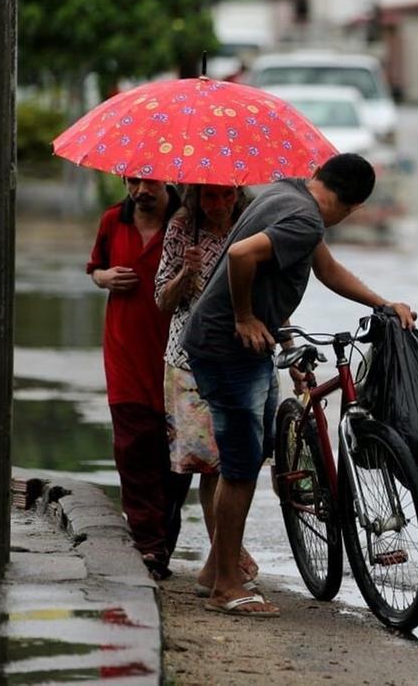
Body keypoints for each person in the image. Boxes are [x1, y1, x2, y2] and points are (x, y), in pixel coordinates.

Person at [182, 153, 416, 617]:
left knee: (250, 455)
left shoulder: (288, 192)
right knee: (240, 468)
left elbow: (327, 270)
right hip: (227, 347)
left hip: (244, 346)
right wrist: (244, 317)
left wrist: (382, 303)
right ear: (354, 206)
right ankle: (226, 587)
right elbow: (240, 255)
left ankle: (215, 568)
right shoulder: (305, 219)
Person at [154, 184, 260, 589]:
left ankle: (220, 563)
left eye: (226, 196)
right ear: (196, 197)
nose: (219, 205)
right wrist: (187, 272)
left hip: (241, 355)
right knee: (211, 463)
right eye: (209, 197)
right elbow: (162, 300)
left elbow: (265, 292)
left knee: (235, 462)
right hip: (190, 361)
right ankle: (224, 563)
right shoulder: (182, 227)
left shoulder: (251, 225)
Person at [87, 176, 184, 579]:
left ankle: (162, 539)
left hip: (177, 352)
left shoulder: (187, 222)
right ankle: (148, 545)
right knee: (132, 447)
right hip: (124, 350)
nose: (141, 189)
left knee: (176, 455)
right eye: (133, 180)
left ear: (168, 179)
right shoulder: (113, 220)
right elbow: (95, 268)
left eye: (150, 181)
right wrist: (105, 277)